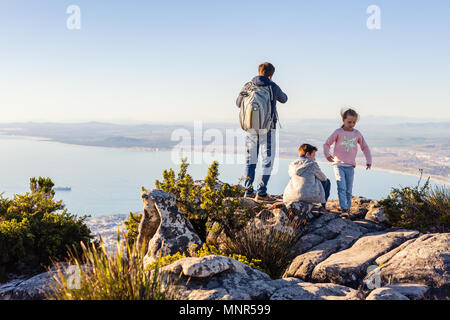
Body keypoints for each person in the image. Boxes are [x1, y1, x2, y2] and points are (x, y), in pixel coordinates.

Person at [236, 62, 288, 201]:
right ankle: (262, 192)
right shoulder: (273, 86)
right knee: (267, 160)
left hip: (251, 129)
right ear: (271, 75)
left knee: (250, 160)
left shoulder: (247, 86)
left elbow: (237, 103)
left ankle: (248, 191)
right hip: (268, 129)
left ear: (259, 71)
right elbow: (284, 99)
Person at [323, 108, 372, 218]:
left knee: (349, 189)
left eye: (354, 122)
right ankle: (344, 209)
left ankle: (347, 210)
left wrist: (368, 160)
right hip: (338, 164)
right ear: (343, 120)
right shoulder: (338, 132)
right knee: (342, 186)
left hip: (350, 166)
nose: (352, 124)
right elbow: (326, 144)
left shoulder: (357, 133)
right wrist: (327, 155)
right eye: (349, 122)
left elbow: (365, 147)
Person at [283, 144, 331, 212]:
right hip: (309, 196)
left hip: (290, 196)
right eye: (313, 155)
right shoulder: (312, 164)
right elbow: (324, 178)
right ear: (307, 154)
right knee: (327, 181)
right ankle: (323, 207)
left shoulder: (292, 165)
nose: (314, 158)